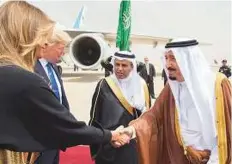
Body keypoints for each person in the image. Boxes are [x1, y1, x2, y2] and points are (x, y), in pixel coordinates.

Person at [0, 1, 127, 163]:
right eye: (40, 37)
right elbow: (68, 129)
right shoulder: (25, 81)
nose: (44, 44)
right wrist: (109, 135)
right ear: (24, 36)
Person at [120, 39, 231, 164]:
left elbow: (228, 126)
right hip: (180, 156)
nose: (168, 64)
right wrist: (132, 129)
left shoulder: (218, 84)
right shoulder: (172, 86)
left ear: (188, 60)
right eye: (166, 58)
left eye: (173, 58)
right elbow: (153, 115)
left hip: (215, 158)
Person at [89, 51, 150, 164]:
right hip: (107, 143)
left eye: (124, 65)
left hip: (131, 143)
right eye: (117, 64)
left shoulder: (141, 86)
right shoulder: (104, 84)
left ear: (132, 66)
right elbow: (94, 117)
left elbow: (146, 118)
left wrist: (130, 135)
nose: (119, 68)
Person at [34, 24, 71, 164]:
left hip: (56, 137)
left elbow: (61, 100)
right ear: (46, 45)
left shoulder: (54, 67)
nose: (63, 53)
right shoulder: (30, 68)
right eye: (61, 49)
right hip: (39, 142)